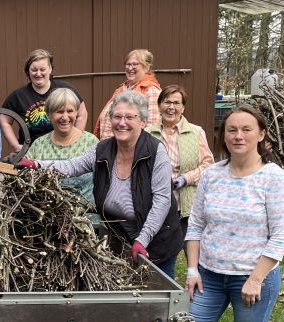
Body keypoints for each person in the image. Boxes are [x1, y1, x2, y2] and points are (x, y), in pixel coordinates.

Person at [181, 105, 284, 322]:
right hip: (209, 276)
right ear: (223, 135)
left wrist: (256, 278)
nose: (238, 135)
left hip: (253, 277)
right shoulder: (212, 175)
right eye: (232, 129)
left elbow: (281, 234)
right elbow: (196, 226)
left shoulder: (273, 178)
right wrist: (192, 269)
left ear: (261, 134)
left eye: (246, 129)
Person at [18, 90, 183, 277]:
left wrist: (142, 240)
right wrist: (35, 164)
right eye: (117, 116)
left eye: (130, 117)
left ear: (143, 121)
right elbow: (72, 166)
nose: (122, 123)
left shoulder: (155, 152)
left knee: (157, 292)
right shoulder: (103, 149)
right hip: (122, 238)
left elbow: (162, 201)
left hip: (157, 240)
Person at [145, 85, 214, 237]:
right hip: (156, 203)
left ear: (183, 108)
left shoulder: (196, 132)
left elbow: (208, 164)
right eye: (166, 102)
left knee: (192, 248)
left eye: (176, 103)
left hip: (188, 204)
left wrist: (186, 178)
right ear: (159, 106)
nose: (171, 107)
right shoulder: (147, 133)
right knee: (160, 252)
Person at [1, 49, 88, 153]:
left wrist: (76, 140)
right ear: (28, 70)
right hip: (31, 154)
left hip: (63, 150)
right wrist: (16, 146)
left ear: (50, 69)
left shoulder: (65, 89)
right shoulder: (19, 96)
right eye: (34, 70)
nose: (38, 74)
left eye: (42, 69)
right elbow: (4, 120)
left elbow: (82, 114)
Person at [25, 87, 98, 204]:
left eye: (70, 111)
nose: (65, 117)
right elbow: (25, 178)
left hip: (86, 214)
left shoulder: (90, 142)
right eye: (59, 111)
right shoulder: (39, 145)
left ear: (76, 113)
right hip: (47, 214)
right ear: (49, 115)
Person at [94, 49, 161, 139]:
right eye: (128, 64)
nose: (130, 68)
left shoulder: (151, 91)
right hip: (111, 148)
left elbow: (152, 127)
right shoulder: (122, 89)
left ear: (147, 67)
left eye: (135, 64)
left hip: (131, 150)